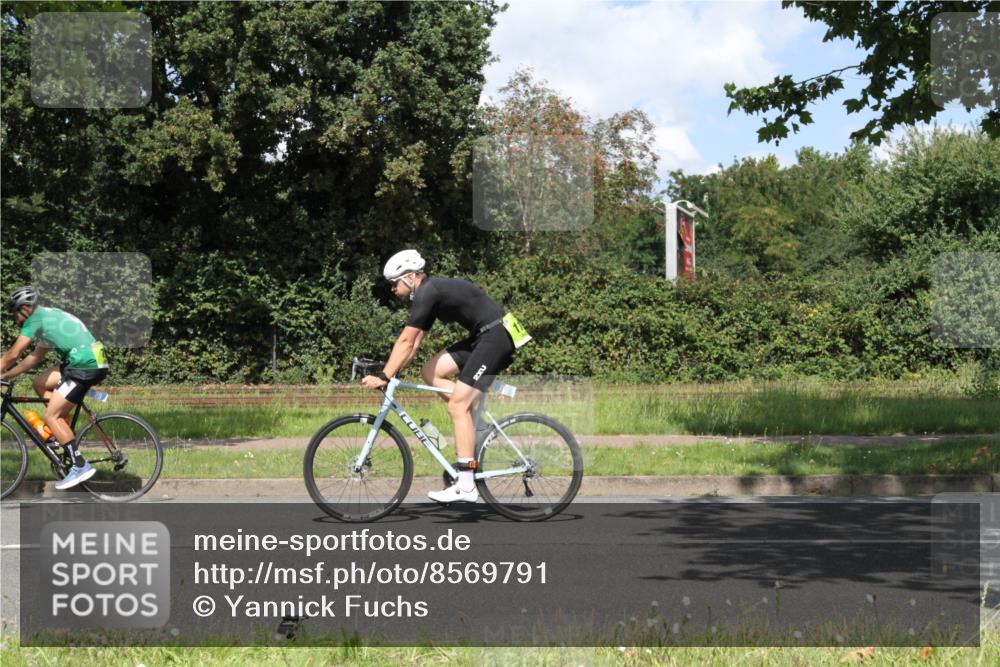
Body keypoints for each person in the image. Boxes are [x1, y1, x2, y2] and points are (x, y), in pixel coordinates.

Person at [361, 250, 531, 503]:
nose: (393, 290)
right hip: (484, 336)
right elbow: (415, 343)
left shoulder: (429, 292)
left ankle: (466, 485)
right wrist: (396, 371)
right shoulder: (428, 295)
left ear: (409, 278)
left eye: (394, 283)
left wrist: (385, 376)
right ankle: (476, 424)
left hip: (495, 336)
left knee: (457, 405)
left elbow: (406, 340)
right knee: (430, 371)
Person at [1, 286, 109, 489]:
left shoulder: (35, 320)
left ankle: (80, 465)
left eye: (16, 313)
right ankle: (60, 431)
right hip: (88, 359)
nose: (16, 320)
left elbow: (13, 355)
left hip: (84, 365)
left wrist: (2, 367)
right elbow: (33, 359)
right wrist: (5, 375)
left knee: (51, 417)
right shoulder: (47, 317)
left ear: (25, 308)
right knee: (39, 383)